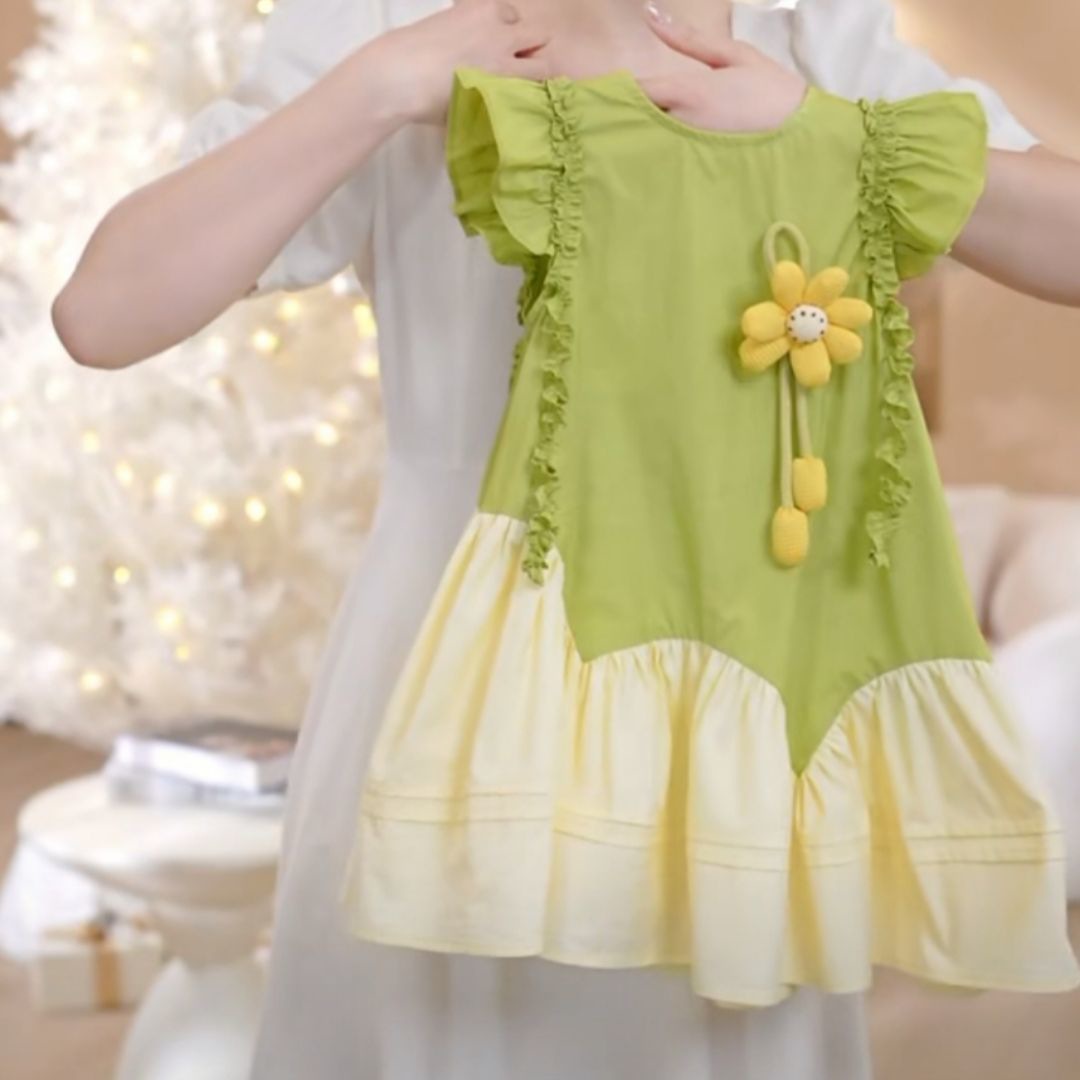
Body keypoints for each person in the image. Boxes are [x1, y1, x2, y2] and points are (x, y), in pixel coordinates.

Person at [52, 2, 1080, 1077]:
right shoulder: (394, 17)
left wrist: (824, 133)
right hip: (457, 695)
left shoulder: (804, 25)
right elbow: (104, 310)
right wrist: (380, 85)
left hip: (736, 703)